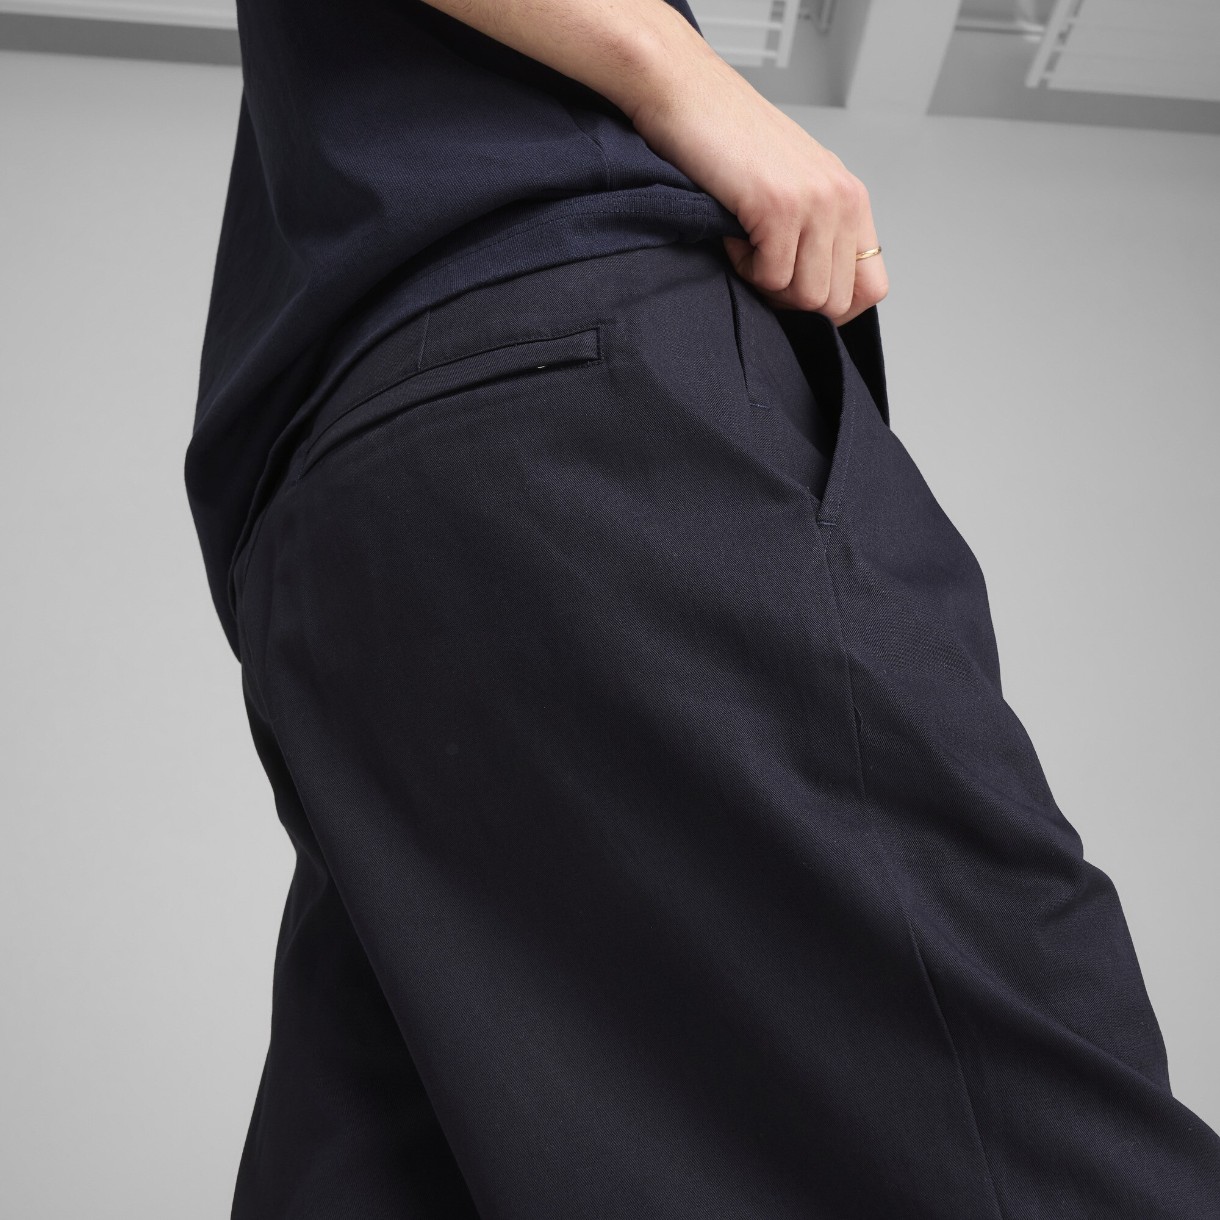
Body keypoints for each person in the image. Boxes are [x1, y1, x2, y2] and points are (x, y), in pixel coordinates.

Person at [184, 1, 1220, 1216]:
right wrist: (684, 77)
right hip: (566, 383)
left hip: (328, 516)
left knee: (396, 1164)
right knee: (1031, 1125)